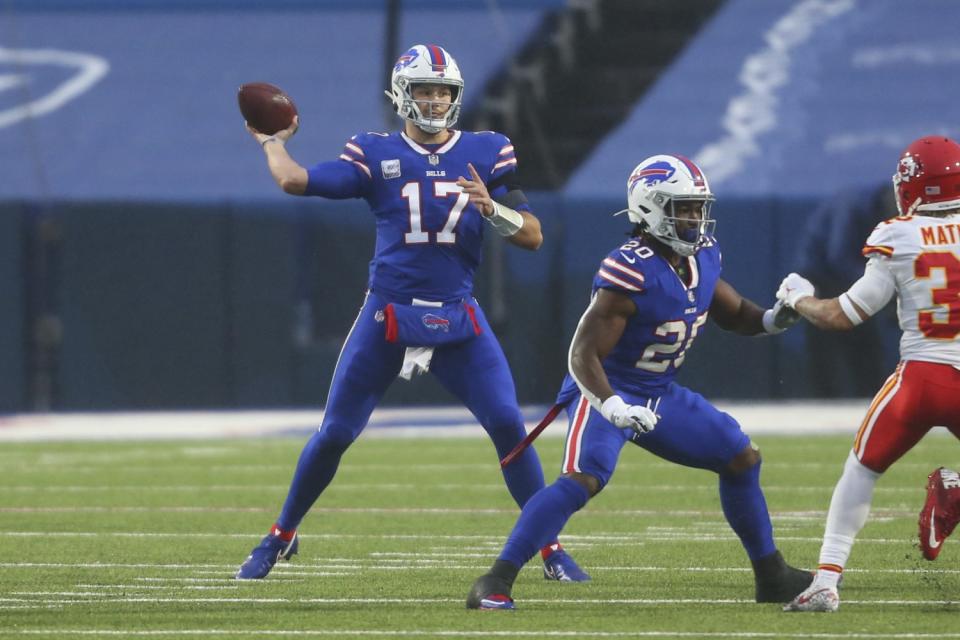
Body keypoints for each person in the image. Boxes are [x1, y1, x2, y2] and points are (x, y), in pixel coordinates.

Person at [235, 44, 587, 582]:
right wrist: (271, 143)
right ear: (402, 94)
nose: (435, 99)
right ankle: (281, 534)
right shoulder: (374, 152)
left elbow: (534, 236)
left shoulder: (487, 151)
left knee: (509, 430)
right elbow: (295, 181)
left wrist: (493, 209)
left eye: (443, 90)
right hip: (388, 313)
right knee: (335, 433)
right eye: (424, 88)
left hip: (457, 315)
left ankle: (549, 548)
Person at [465, 154, 813, 610]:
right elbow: (582, 353)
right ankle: (495, 580)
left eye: (696, 207)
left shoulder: (704, 254)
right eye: (681, 207)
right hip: (604, 386)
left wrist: (775, 319)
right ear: (649, 209)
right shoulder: (629, 268)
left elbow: (734, 312)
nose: (693, 217)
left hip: (658, 392)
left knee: (741, 458)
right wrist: (611, 406)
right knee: (584, 478)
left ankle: (771, 575)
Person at [777, 135, 960, 613]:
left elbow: (844, 315)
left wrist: (799, 298)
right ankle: (954, 491)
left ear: (915, 184)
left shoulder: (898, 233)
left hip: (921, 378)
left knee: (860, 469)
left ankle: (826, 580)